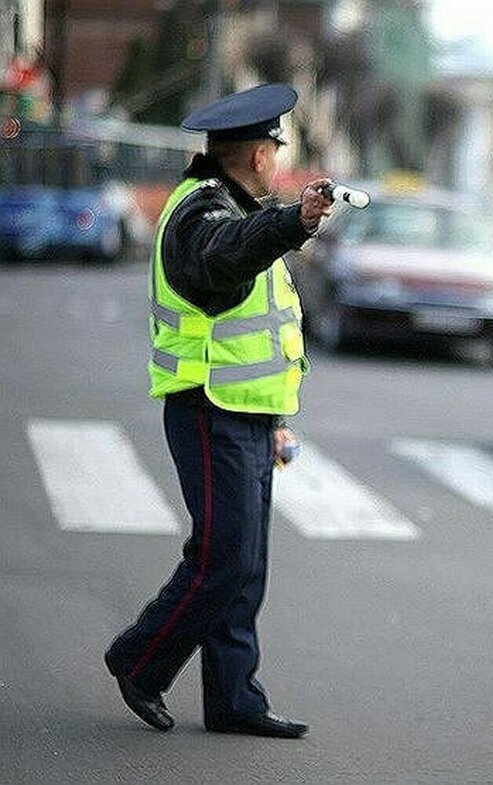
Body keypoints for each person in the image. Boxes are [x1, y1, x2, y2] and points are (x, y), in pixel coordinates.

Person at [103, 83, 333, 738]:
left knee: (244, 563)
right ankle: (139, 661)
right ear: (258, 155)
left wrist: (278, 417)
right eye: (271, 148)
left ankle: (235, 697)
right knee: (222, 558)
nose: (274, 159)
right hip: (208, 407)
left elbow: (263, 326)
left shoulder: (233, 204)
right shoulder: (198, 214)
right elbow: (224, 258)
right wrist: (293, 221)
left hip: (249, 411)